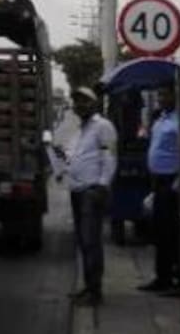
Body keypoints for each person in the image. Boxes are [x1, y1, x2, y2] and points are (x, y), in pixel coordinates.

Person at [65, 86, 118, 307]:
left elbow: (110, 156)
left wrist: (103, 185)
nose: (80, 105)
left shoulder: (103, 126)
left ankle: (95, 292)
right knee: (83, 242)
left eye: (84, 101)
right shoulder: (81, 129)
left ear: (94, 104)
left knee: (90, 241)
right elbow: (77, 155)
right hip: (78, 191)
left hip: (91, 191)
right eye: (77, 101)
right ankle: (88, 287)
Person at [137, 84, 180, 295]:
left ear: (175, 95)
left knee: (173, 234)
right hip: (158, 181)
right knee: (159, 233)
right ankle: (161, 278)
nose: (161, 98)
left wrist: (179, 181)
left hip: (173, 183)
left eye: (165, 95)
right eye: (159, 94)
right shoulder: (161, 119)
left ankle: (177, 281)